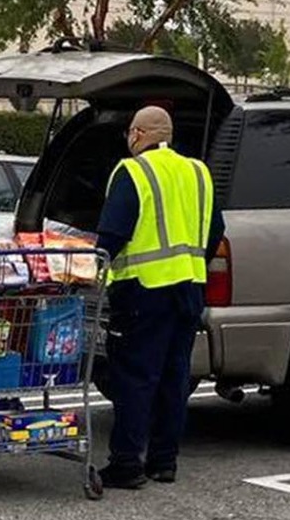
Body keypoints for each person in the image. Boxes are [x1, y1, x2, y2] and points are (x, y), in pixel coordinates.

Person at [96, 106, 225, 489]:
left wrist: (91, 269)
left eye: (129, 133)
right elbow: (215, 229)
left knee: (135, 378)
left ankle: (126, 464)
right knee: (175, 375)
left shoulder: (133, 171)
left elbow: (113, 235)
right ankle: (164, 461)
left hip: (143, 290)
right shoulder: (198, 172)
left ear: (138, 134)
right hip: (189, 289)